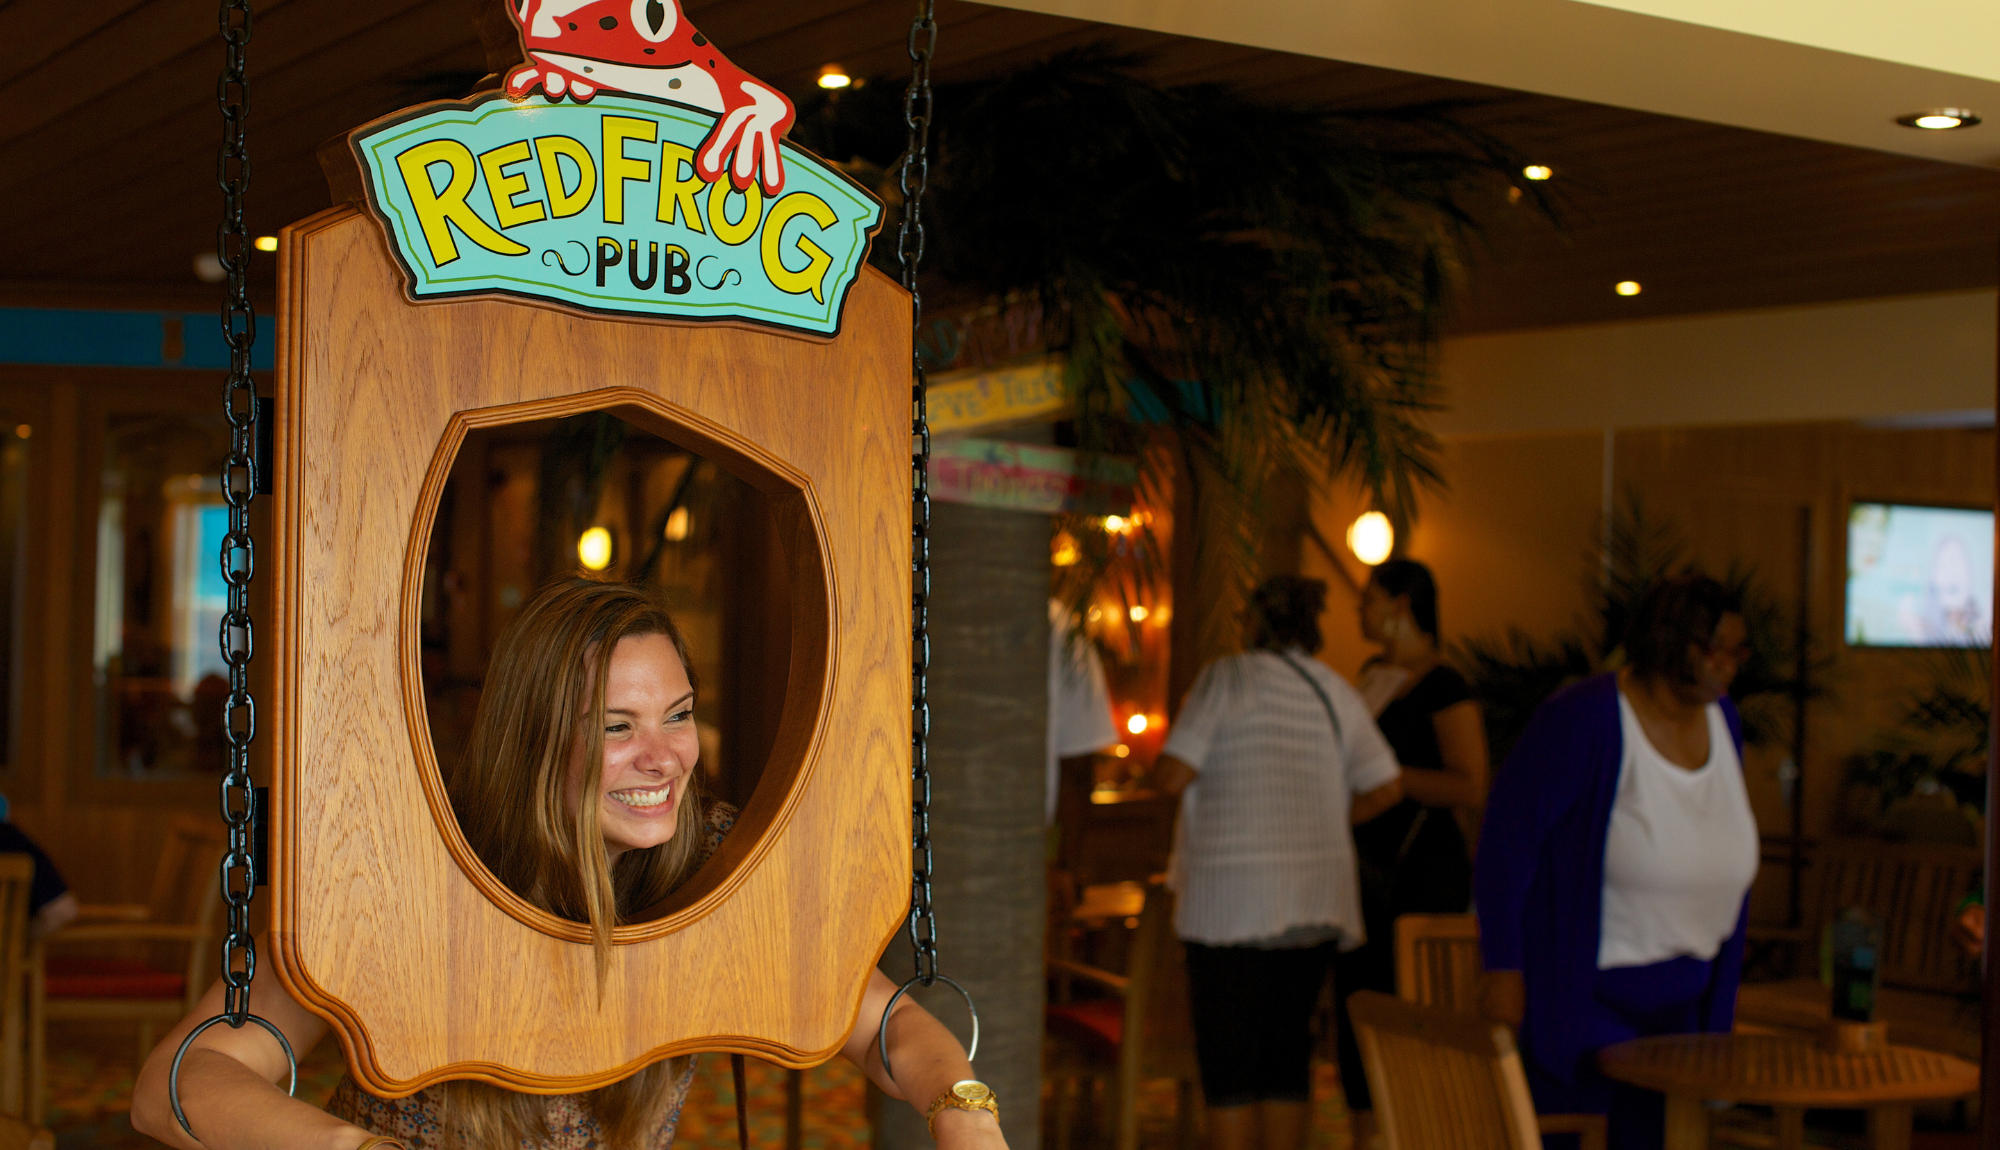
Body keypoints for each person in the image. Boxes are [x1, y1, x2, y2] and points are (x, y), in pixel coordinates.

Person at [131, 579, 1008, 1150]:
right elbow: (180, 1084)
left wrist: (966, 1111)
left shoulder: (709, 857)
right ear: (535, 740)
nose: (664, 757)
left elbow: (884, 1023)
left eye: (678, 714)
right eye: (616, 727)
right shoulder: (406, 872)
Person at [1474, 574, 1757, 1150]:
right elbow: (1506, 843)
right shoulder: (1587, 718)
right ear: (1668, 641)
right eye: (1715, 650)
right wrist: (1503, 968)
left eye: (1739, 651)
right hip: (1588, 1001)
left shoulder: (1724, 721)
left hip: (1687, 1004)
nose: (1729, 665)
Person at [1152, 576, 1404, 1150]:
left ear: (1254, 623)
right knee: (1286, 1055)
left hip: (1230, 906)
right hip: (1315, 902)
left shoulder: (1226, 678)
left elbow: (1173, 775)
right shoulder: (1336, 690)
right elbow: (1387, 788)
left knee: (1230, 1064)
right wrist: (1331, 820)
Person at [1334, 559, 1487, 1136]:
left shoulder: (1445, 685)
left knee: (1410, 1009)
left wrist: (1391, 777)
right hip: (1363, 864)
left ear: (1401, 605)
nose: (1360, 611)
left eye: (1368, 600)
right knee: (1358, 1008)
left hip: (1420, 870)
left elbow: (1471, 783)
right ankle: (1365, 1129)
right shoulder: (1372, 673)